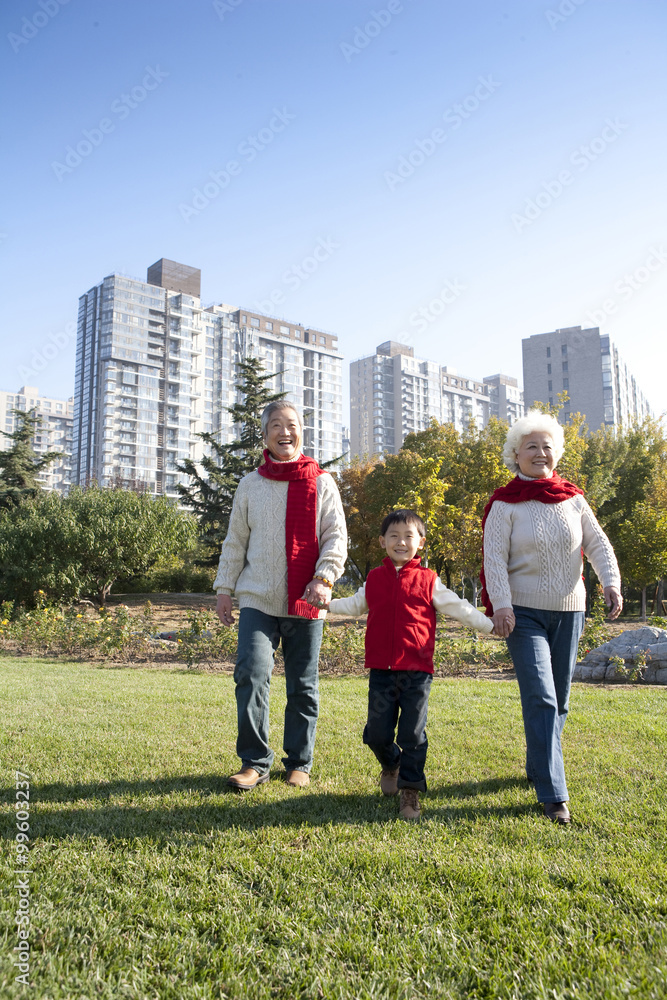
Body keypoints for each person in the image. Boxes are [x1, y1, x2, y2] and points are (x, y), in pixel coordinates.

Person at [481, 410, 622, 825]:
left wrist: (610, 582)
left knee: (559, 701)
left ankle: (539, 766)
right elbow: (493, 560)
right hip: (522, 613)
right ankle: (553, 793)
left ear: (555, 454)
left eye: (547, 447)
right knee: (541, 697)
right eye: (531, 447)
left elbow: (597, 544)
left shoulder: (573, 499)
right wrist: (501, 605)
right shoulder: (504, 504)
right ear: (516, 455)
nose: (540, 453)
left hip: (570, 609)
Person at [323, 509, 493, 821]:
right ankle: (391, 764)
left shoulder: (429, 581)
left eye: (408, 536)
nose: (401, 542)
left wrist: (490, 625)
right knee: (376, 733)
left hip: (416, 672)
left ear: (421, 542)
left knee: (412, 734)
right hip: (381, 672)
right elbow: (353, 605)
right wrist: (325, 603)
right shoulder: (374, 578)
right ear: (382, 541)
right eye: (394, 536)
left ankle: (410, 792)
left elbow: (459, 608)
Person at [214, 401, 347, 791]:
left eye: (291, 425)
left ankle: (299, 762)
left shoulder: (322, 482)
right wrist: (225, 589)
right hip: (257, 598)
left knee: (302, 684)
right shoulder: (250, 484)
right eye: (276, 425)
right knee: (252, 674)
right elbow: (235, 541)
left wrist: (324, 578)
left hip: (307, 599)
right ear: (265, 435)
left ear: (302, 432)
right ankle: (254, 762)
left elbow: (336, 537)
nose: (284, 431)